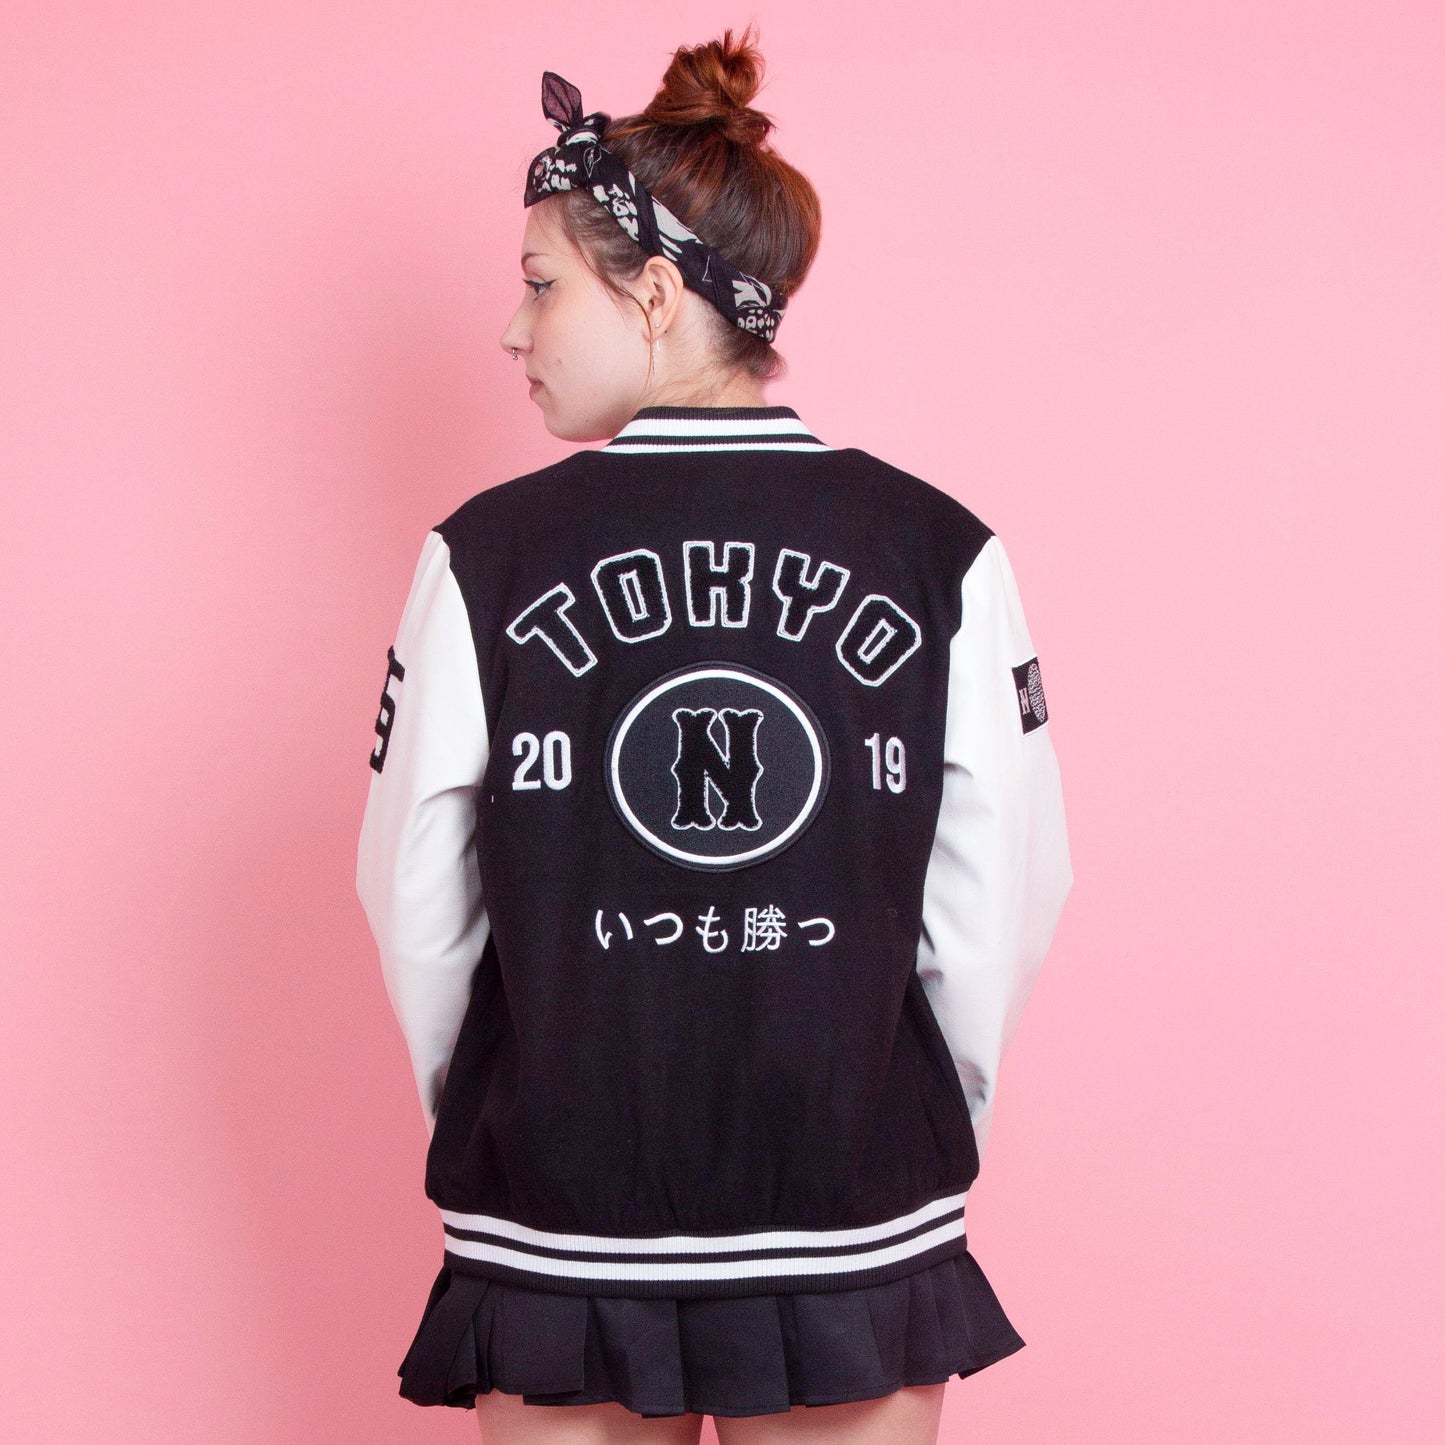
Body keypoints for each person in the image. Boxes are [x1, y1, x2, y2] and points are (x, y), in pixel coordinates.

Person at [355, 27, 1074, 1444]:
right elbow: (1001, 895)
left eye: (541, 285)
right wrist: (913, 1111)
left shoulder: (482, 557)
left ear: (655, 293)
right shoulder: (937, 549)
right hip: (849, 1202)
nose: (511, 332)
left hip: (563, 1205)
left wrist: (507, 1097)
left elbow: (413, 897)